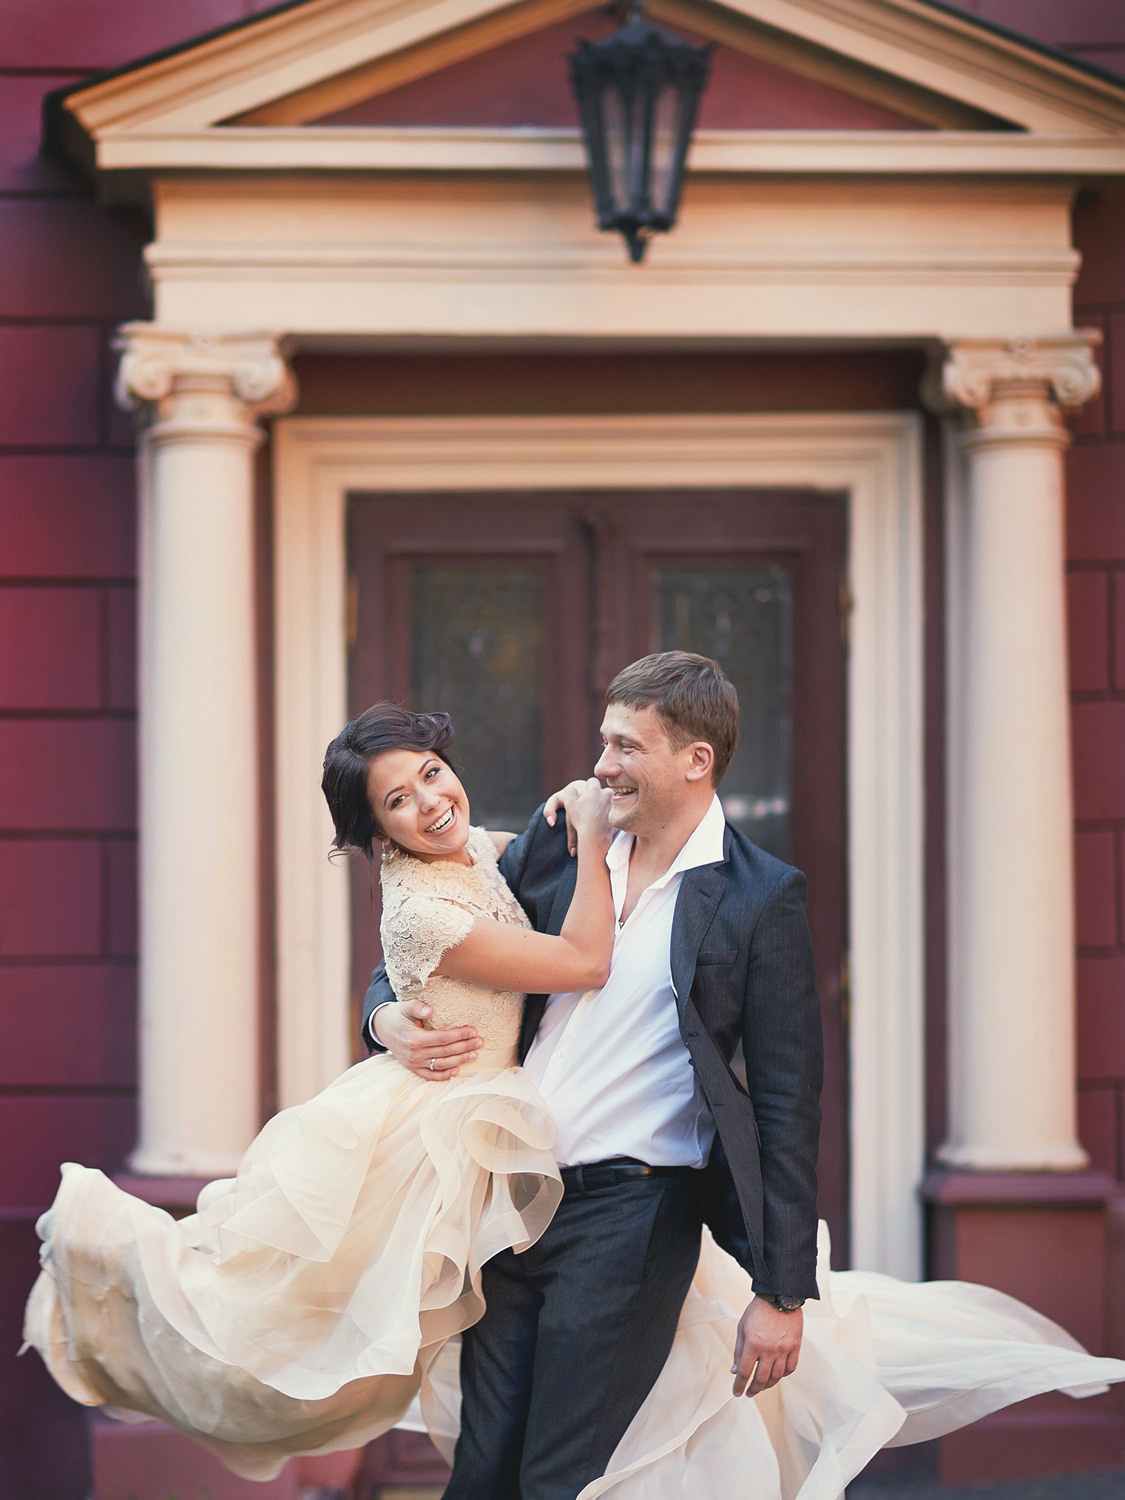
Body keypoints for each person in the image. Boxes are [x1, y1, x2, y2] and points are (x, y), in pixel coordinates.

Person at [366, 651, 1125, 1500]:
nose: (599, 766)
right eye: (604, 743)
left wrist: (782, 1290)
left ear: (694, 759)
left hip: (633, 1213)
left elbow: (786, 1101)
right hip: (507, 1203)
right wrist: (381, 1018)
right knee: (479, 1473)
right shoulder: (557, 842)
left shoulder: (760, 896)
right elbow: (431, 938)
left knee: (558, 1478)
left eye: (625, 748)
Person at [22, 702, 617, 1481]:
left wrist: (574, 797)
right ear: (377, 834)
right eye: (399, 800)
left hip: (473, 1118)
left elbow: (498, 856)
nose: (431, 801)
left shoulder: (461, 849)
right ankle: (111, 1270)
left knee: (470, 1367)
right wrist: (600, 836)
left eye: (431, 774)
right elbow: (582, 964)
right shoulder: (420, 910)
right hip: (434, 1136)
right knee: (293, 1329)